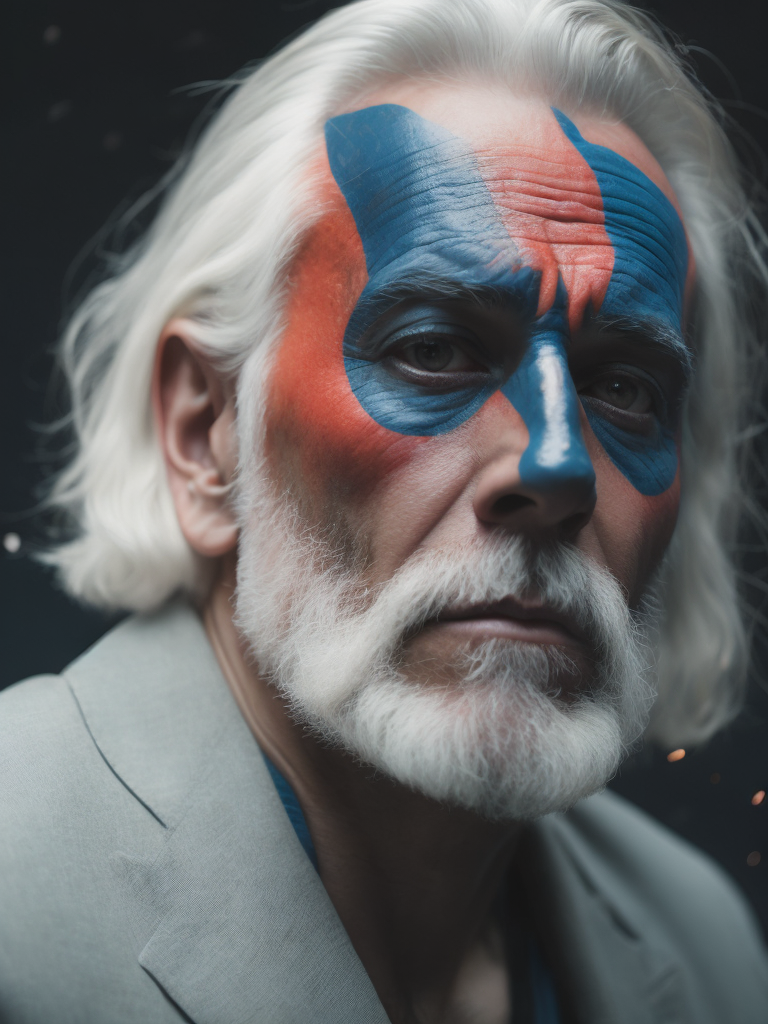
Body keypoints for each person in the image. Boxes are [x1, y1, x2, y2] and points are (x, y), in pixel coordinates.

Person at [1, 0, 767, 1020]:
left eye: (623, 386)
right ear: (206, 431)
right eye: (436, 349)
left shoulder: (705, 945)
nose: (556, 466)